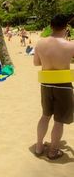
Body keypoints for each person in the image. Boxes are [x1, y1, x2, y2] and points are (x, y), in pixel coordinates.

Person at [32, 14, 74, 160]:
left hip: (45, 84)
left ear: (50, 26)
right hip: (63, 86)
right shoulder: (71, 45)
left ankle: (38, 147)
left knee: (45, 116)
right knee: (59, 120)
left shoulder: (40, 43)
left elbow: (36, 63)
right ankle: (53, 151)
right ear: (66, 27)